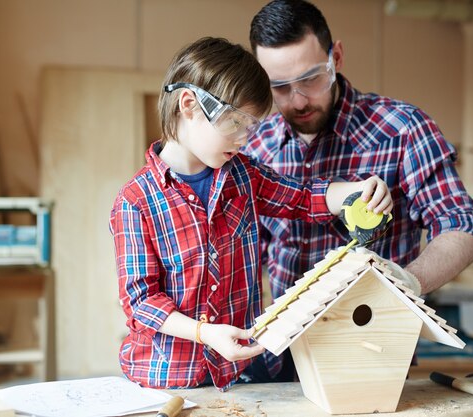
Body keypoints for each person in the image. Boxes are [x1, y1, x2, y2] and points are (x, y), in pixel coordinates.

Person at [109, 37, 393, 391]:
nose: (244, 138)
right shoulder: (135, 202)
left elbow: (302, 197)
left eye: (252, 126)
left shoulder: (244, 175)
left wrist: (357, 191)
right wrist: (205, 333)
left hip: (237, 374)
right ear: (189, 105)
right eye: (235, 122)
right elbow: (141, 301)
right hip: (166, 378)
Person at [244, 0, 473, 380]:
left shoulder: (403, 129)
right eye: (279, 87)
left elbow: (462, 227)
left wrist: (407, 282)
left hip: (377, 348)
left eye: (310, 79)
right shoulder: (254, 147)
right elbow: (245, 251)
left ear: (335, 57)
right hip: (283, 356)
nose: (298, 100)